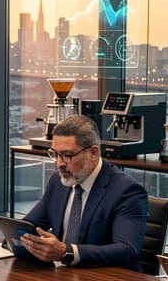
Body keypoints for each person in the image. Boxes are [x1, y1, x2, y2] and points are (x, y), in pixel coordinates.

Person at [11, 114, 149, 269]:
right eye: (55, 154)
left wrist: (67, 251)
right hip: (62, 279)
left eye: (67, 156)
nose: (59, 164)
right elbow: (27, 227)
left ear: (93, 153)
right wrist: (15, 237)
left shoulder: (127, 191)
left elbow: (127, 251)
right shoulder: (57, 182)